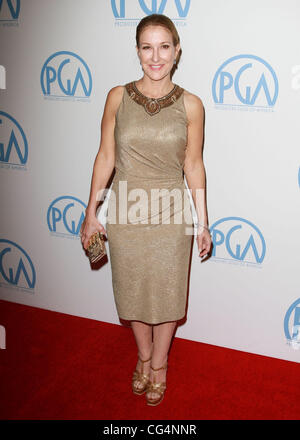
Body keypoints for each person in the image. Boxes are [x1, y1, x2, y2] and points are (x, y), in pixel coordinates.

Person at [80, 14, 212, 406]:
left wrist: (203, 221)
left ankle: (159, 364)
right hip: (126, 210)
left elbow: (194, 164)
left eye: (164, 47)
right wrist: (91, 213)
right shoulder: (117, 97)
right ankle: (141, 355)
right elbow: (105, 156)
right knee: (132, 293)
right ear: (137, 51)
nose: (156, 56)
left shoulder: (192, 105)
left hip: (171, 213)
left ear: (176, 52)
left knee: (169, 296)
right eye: (147, 47)